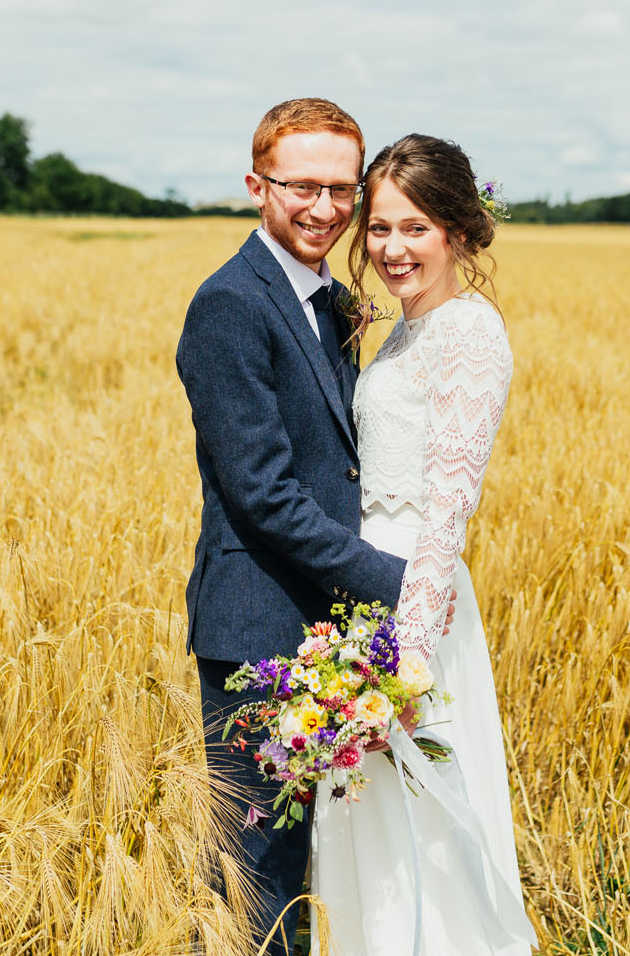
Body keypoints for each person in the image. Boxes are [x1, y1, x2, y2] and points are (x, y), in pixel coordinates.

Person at [175, 97, 408, 956]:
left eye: (342, 190)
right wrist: (391, 580)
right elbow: (264, 494)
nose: (324, 209)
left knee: (313, 859)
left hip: (328, 624)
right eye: (302, 186)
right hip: (258, 626)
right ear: (255, 186)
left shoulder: (332, 302)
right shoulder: (230, 305)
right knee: (252, 868)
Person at [310, 134, 538, 955]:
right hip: (362, 584)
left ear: (458, 233)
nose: (392, 248)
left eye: (415, 229)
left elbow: (448, 508)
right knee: (366, 822)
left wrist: (406, 656)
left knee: (420, 824)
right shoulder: (407, 329)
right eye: (378, 228)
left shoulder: (469, 334)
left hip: (415, 599)